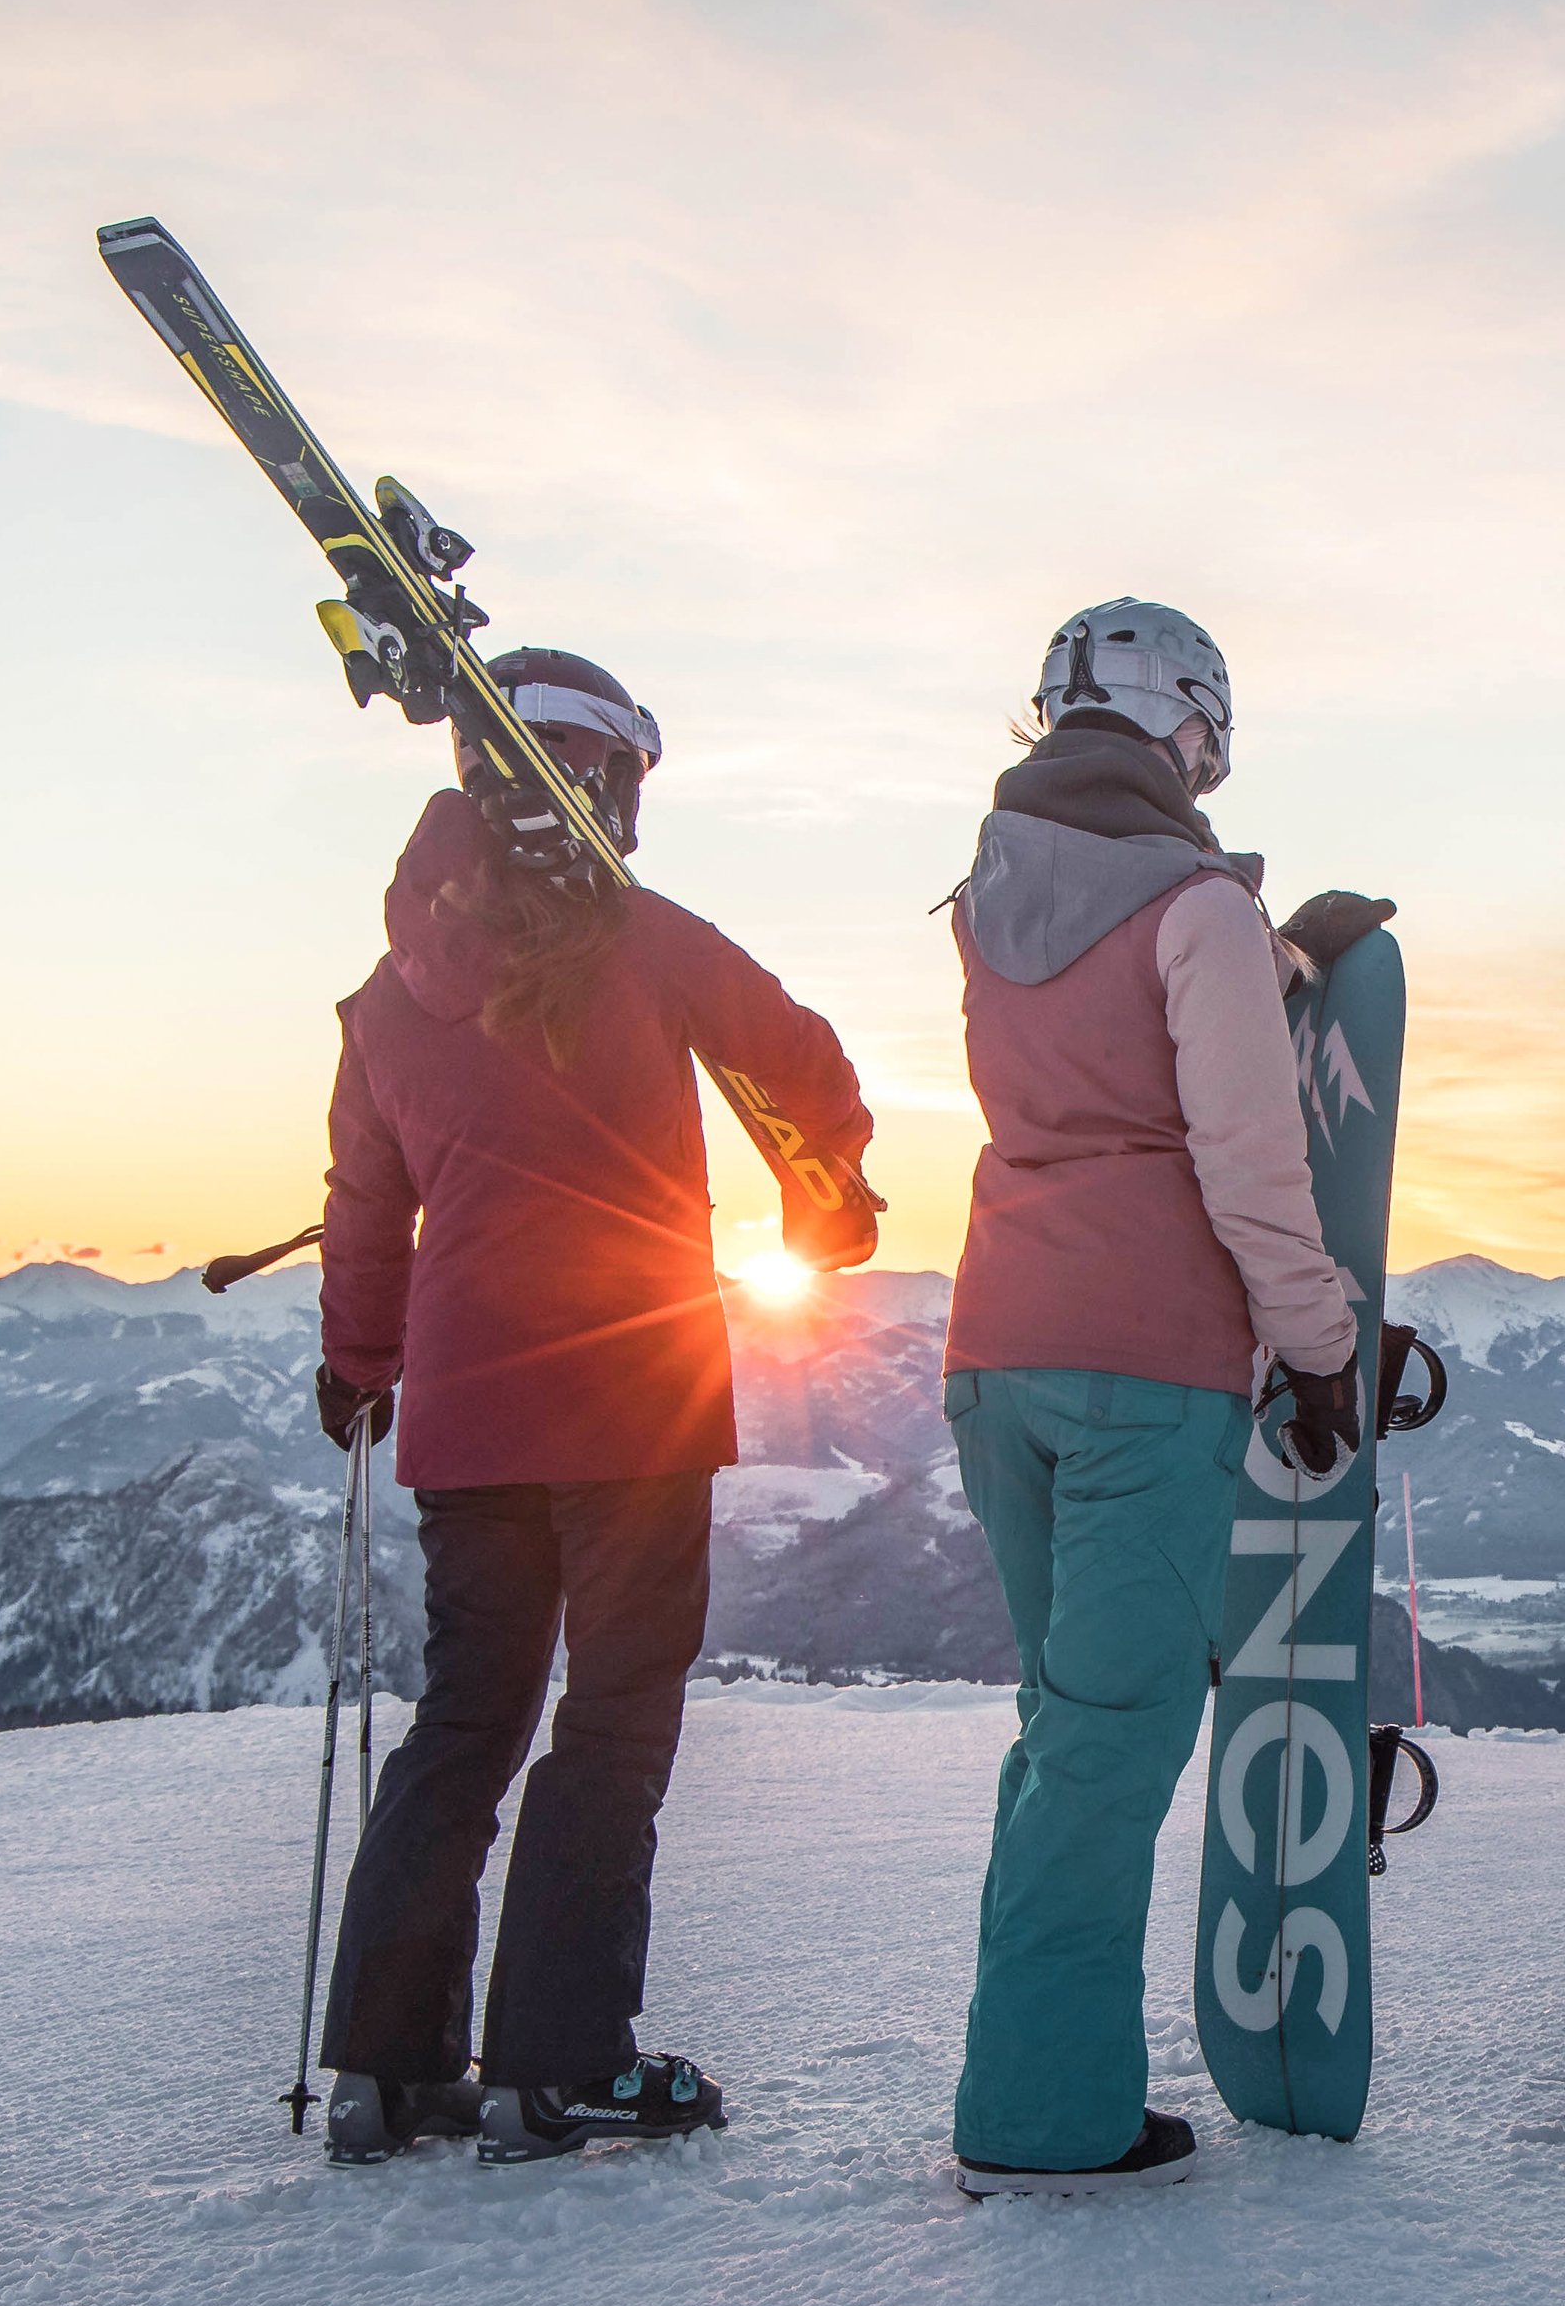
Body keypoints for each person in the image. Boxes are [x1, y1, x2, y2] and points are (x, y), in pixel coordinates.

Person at [311, 646, 876, 2167]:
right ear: (601, 778)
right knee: (613, 1719)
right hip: (634, 1399)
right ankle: (557, 2068)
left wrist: (359, 1365)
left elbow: (364, 1212)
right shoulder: (643, 939)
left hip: (467, 1417)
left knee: (467, 1718)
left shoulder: (386, 998)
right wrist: (826, 1202)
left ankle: (384, 2069)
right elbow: (804, 1060)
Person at [939, 598, 1391, 2197]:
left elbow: (1095, 1037)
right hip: (1147, 1366)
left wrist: (1269, 959)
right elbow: (1248, 1162)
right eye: (1207, 739)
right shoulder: (1196, 905)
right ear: (1183, 724)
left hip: (995, 1350)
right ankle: (1045, 2119)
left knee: (1065, 1732)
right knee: (1114, 1747)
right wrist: (1323, 1350)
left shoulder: (990, 891)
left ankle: (1035, 2071)